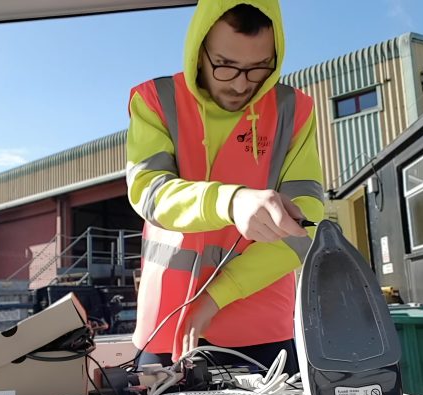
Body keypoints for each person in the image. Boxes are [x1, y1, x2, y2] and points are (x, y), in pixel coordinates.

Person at [126, 0, 324, 375]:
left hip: (260, 327)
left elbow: (305, 225)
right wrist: (231, 202)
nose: (240, 83)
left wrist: (216, 297)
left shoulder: (294, 111)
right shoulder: (155, 100)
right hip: (166, 324)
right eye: (225, 65)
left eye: (258, 68)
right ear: (199, 51)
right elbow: (149, 192)